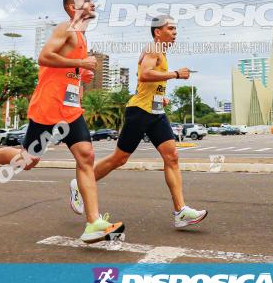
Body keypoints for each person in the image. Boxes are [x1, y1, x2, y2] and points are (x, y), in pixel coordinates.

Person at [0, 0, 125, 244]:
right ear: (73, 7)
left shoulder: (82, 36)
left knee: (86, 156)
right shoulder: (66, 28)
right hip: (48, 107)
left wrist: (81, 74)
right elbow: (44, 57)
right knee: (27, 161)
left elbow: (68, 70)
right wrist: (82, 63)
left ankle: (93, 222)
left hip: (71, 109)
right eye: (86, 0)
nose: (92, 3)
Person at [71, 15, 207, 229]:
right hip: (140, 112)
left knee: (172, 156)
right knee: (120, 158)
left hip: (156, 112)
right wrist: (175, 74)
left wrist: (161, 95)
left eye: (175, 29)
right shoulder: (153, 49)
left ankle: (181, 212)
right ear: (157, 32)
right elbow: (144, 74)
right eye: (170, 28)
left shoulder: (160, 52)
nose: (174, 32)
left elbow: (146, 82)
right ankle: (80, 185)